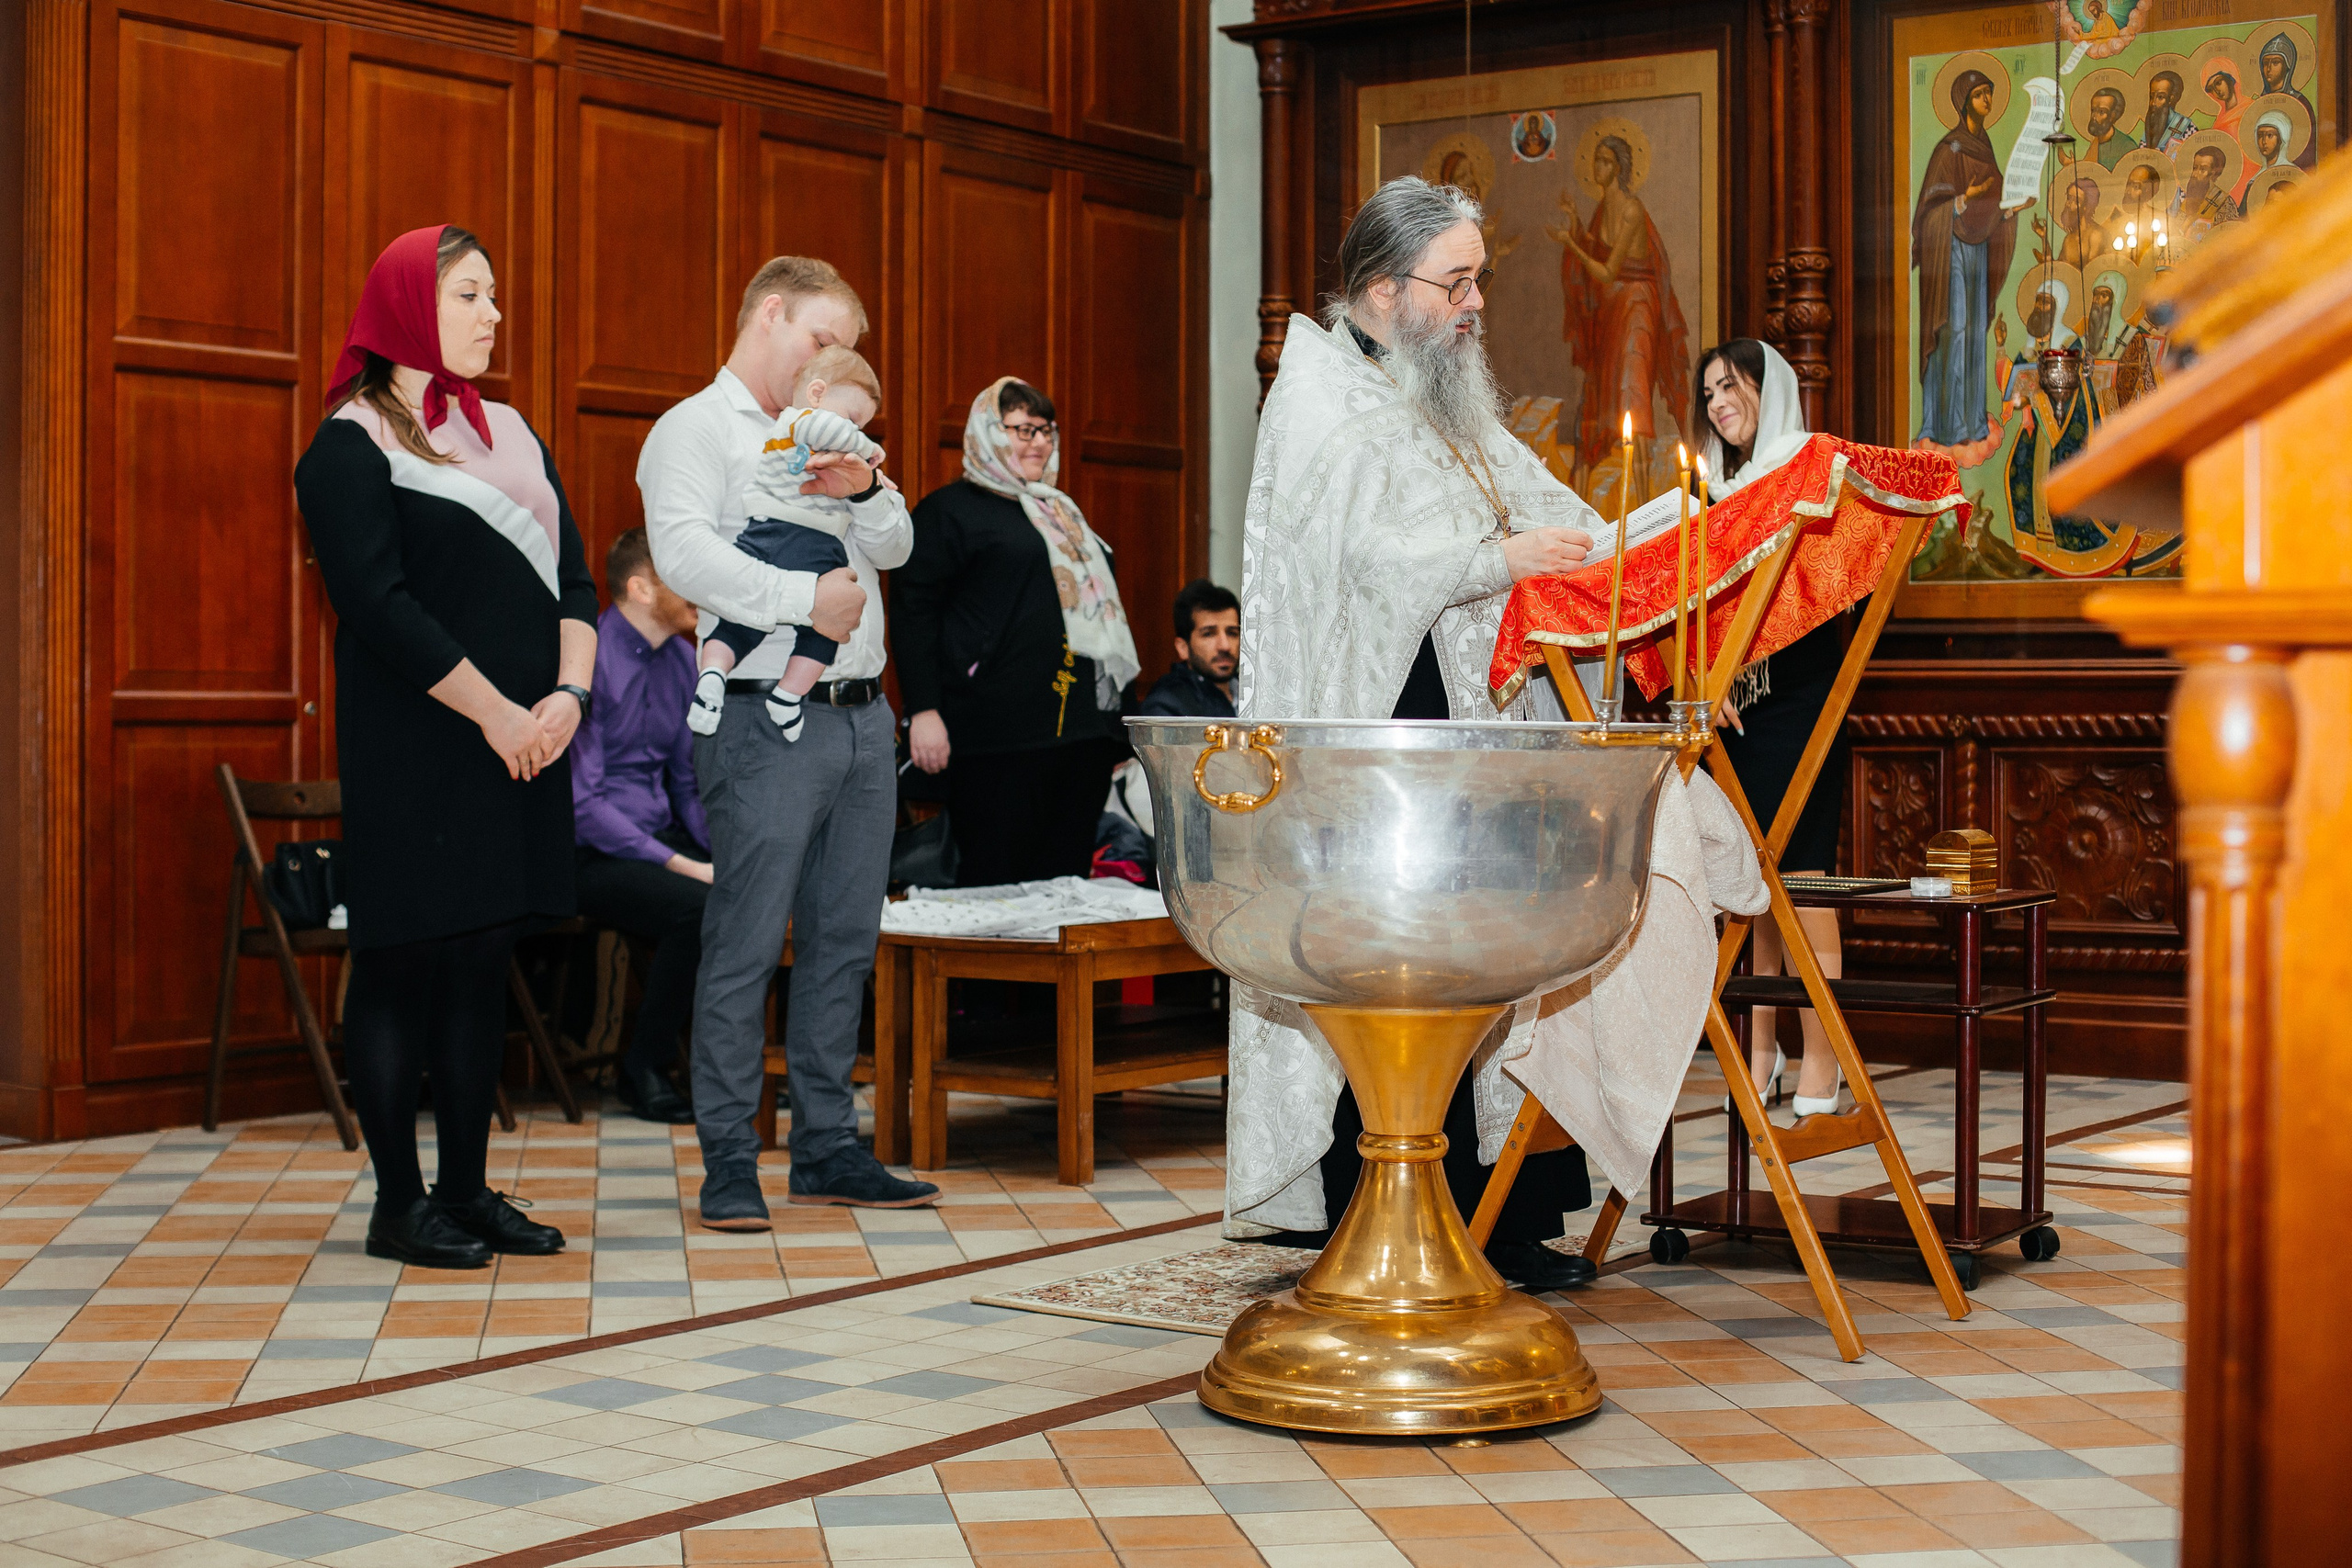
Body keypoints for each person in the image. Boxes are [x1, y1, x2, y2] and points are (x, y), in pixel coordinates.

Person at [1231, 175, 1613, 1293]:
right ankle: (1393, 1220)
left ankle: (1500, 1219)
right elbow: (1356, 570)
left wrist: (1633, 535)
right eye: (1455, 281)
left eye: (1476, 278)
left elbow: (1545, 507)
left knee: (1489, 967)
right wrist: (1501, 562)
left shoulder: (1443, 400)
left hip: (1470, 732)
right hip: (1379, 743)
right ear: (1383, 287)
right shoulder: (1317, 401)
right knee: (1401, 973)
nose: (1474, 302)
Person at [294, 225, 595, 1268]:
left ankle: (463, 1194)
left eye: (495, 295)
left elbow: (577, 583)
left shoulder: (511, 429)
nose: (492, 314)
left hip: (525, 739)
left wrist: (567, 696)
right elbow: (378, 605)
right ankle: (397, 1205)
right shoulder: (348, 442)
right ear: (411, 306)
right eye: (471, 294)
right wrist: (497, 713)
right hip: (423, 743)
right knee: (401, 964)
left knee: (480, 961)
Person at [637, 255, 935, 1229]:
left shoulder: (837, 427)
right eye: (820, 335)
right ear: (771, 315)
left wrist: (868, 485)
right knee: (746, 944)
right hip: (764, 715)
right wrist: (804, 599)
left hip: (861, 716)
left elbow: (895, 551)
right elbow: (683, 556)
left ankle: (825, 1145)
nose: (835, 356)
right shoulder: (694, 429)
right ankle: (730, 1156)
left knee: (846, 941)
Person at [895, 378, 1141, 888]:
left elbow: (1108, 622)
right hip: (995, 737)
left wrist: (1118, 720)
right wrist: (923, 710)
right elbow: (913, 613)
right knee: (994, 890)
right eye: (1022, 429)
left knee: (1063, 887)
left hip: (1081, 737)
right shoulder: (948, 511)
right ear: (987, 432)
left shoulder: (1062, 513)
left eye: (1045, 430)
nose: (1038, 442)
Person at [1691, 339, 1848, 1120]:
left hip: (1806, 701)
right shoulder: (1718, 495)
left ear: (1766, 386)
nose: (1719, 401)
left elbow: (1833, 586)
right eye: (1708, 392)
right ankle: (1761, 1051)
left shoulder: (1810, 467)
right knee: (1750, 895)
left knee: (1807, 889)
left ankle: (1823, 1062)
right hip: (1742, 710)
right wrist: (1706, 680)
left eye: (1731, 384)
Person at [572, 528, 712, 1126]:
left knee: (751, 892)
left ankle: (725, 1073)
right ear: (640, 586)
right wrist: (684, 864)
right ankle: (644, 1068)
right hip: (590, 851)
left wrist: (728, 852)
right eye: (682, 572)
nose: (701, 590)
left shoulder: (683, 658)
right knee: (697, 906)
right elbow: (584, 805)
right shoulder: (590, 657)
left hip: (657, 834)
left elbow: (685, 782)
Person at [686, 349, 888, 742]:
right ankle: (788, 696)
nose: (857, 429)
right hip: (809, 541)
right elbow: (835, 433)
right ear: (816, 393)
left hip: (762, 534)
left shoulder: (782, 430)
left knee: (741, 623)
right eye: (854, 418)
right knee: (828, 629)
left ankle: (713, 673)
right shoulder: (806, 422)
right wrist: (868, 451)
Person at [1549, 132, 1691, 510]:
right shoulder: (1601, 208)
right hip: (1614, 313)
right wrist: (1576, 223)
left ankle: (1649, 510)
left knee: (1634, 397)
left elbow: (1608, 271)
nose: (1598, 167)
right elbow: (1600, 250)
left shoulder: (1630, 209)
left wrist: (1570, 243)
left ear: (1620, 168)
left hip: (1637, 308)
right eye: (1595, 160)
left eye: (1605, 161)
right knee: (1605, 405)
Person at [1914, 71, 2032, 447]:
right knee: (1956, 329)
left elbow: (1990, 209)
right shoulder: (1948, 150)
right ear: (1965, 99)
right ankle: (1945, 425)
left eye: (1989, 94)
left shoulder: (1985, 146)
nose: (1987, 101)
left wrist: (2013, 208)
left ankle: (1971, 425)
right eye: (1980, 94)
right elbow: (1930, 212)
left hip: (1978, 247)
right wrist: (1964, 197)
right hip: (1948, 250)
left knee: (1975, 330)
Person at [1141, 579, 1238, 718]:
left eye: (1232, 633)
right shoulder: (1165, 704)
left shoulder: (1258, 694)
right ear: (1183, 648)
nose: (1225, 646)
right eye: (1208, 634)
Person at [2256, 32, 2319, 169]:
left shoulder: (2300, 103)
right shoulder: (2257, 105)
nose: (2269, 69)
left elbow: (2308, 147)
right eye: (2265, 63)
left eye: (2276, 62)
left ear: (2288, 66)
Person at [2141, 71, 2195, 155]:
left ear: (2171, 99)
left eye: (2160, 97)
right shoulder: (2150, 125)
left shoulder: (2187, 127)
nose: (2153, 103)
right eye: (2151, 97)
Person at [2083, 86, 2138, 170]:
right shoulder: (2095, 144)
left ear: (2113, 115)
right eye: (2093, 110)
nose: (2094, 116)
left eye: (2101, 112)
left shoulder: (2127, 146)